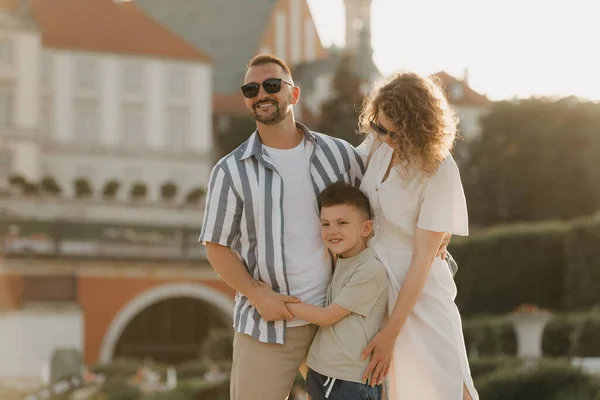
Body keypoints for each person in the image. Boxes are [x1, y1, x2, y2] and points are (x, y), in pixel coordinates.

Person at [199, 54, 364, 400]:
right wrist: (257, 295)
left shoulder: (342, 156)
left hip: (336, 321)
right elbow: (216, 246)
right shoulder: (230, 171)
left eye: (272, 85)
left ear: (294, 94)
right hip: (268, 327)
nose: (262, 94)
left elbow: (374, 212)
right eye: (251, 88)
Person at [356, 72, 479, 400]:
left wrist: (390, 335)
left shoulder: (440, 168)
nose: (384, 137)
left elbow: (423, 259)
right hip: (374, 284)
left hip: (419, 292)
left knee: (449, 385)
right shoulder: (377, 145)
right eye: (378, 127)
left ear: (417, 128)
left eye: (394, 133)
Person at [286, 182, 388, 400]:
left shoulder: (371, 269)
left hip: (349, 380)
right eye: (326, 224)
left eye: (342, 223)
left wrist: (281, 303)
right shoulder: (339, 261)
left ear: (366, 228)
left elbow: (327, 317)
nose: (332, 231)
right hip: (320, 372)